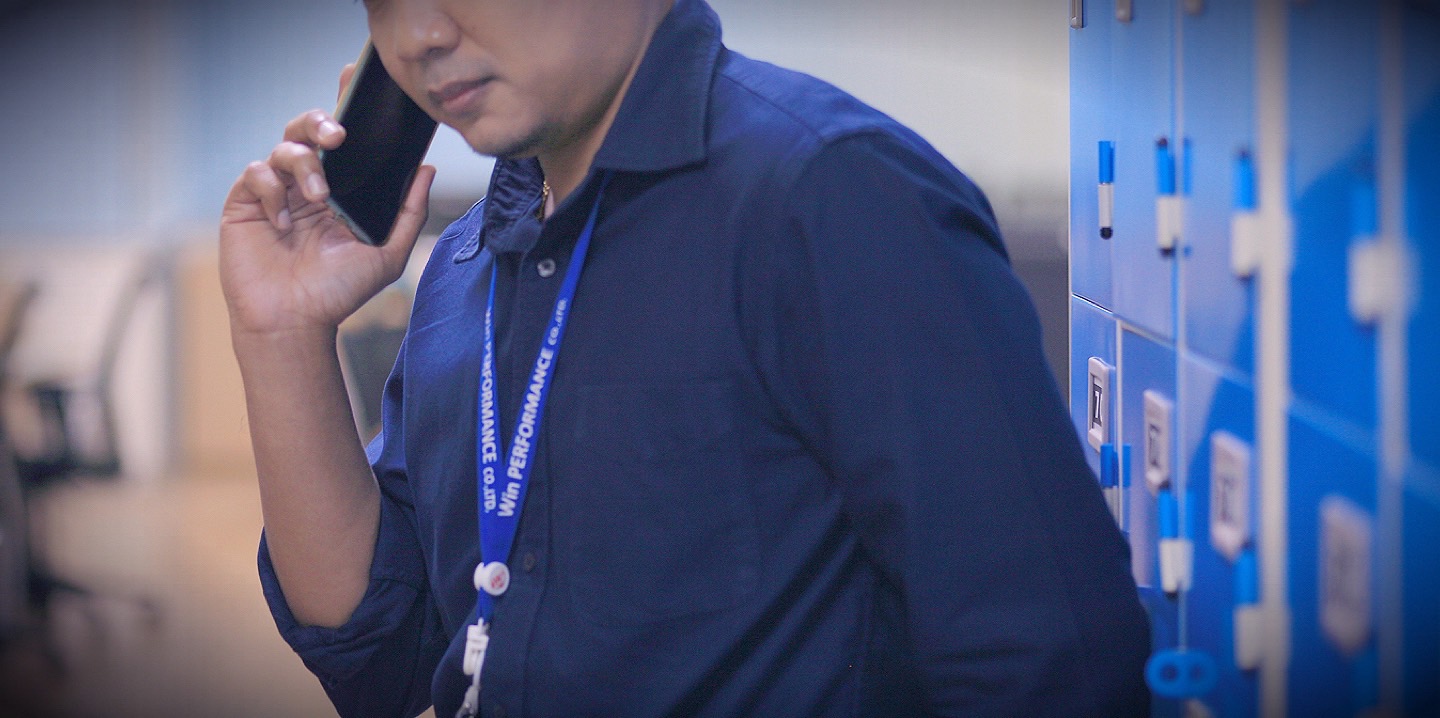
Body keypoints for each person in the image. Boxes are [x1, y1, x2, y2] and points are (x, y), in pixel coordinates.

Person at [219, 0, 1152, 716]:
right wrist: (282, 337)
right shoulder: (468, 268)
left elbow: (1048, 659)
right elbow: (378, 654)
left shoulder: (831, 195)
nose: (419, 35)